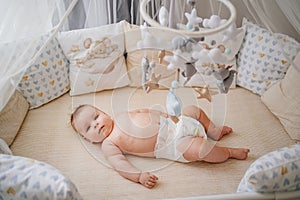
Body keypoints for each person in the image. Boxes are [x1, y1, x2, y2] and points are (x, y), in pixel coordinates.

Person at [70, 104, 249, 189]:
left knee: (194, 110)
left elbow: (145, 111)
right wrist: (139, 176)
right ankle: (229, 152)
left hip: (174, 122)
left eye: (96, 116)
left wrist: (164, 115)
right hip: (172, 144)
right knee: (202, 150)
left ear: (105, 113)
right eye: (88, 128)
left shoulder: (121, 114)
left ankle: (214, 131)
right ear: (89, 140)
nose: (95, 124)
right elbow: (119, 164)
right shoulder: (109, 144)